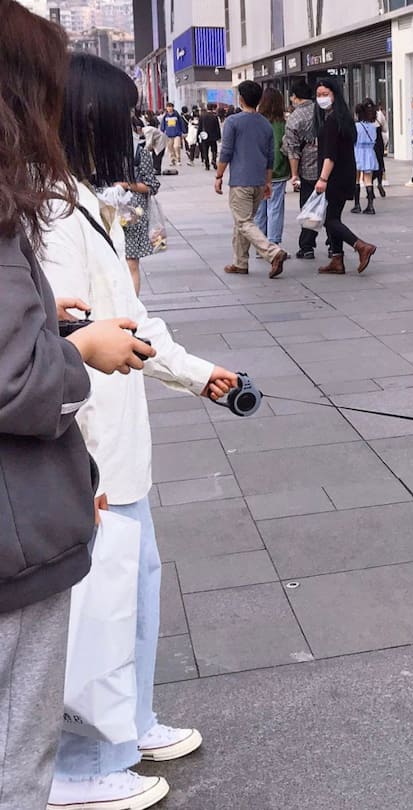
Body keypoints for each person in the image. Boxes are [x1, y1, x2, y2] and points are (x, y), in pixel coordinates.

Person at [43, 51, 243, 810]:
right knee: (94, 616)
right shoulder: (49, 215)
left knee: (136, 593)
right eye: (119, 116)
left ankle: (128, 725)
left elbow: (131, 316)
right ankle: (80, 765)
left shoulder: (86, 201)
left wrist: (197, 373)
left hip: (120, 447)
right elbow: (58, 342)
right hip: (85, 451)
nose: (129, 129)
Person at [0, 9, 159, 810]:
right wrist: (76, 350)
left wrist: (54, 327)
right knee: (23, 743)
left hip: (48, 492)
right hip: (28, 513)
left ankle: (126, 727)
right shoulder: (32, 212)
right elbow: (19, 377)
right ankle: (91, 759)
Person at [215, 80, 288, 278]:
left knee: (244, 222)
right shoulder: (265, 123)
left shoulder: (233, 122)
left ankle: (273, 252)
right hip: (258, 181)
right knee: (242, 222)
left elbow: (226, 152)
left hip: (240, 181)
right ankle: (240, 263)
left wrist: (219, 175)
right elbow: (270, 155)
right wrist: (267, 181)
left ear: (240, 99)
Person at [314, 77, 377, 275]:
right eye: (319, 95)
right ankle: (337, 259)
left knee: (330, 219)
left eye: (325, 94)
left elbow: (330, 155)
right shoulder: (343, 118)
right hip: (345, 174)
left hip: (334, 176)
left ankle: (360, 246)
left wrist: (322, 179)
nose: (321, 98)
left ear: (334, 95)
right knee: (333, 217)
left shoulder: (333, 121)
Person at [119, 117, 162, 295]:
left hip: (131, 214)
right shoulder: (97, 152)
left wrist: (126, 185)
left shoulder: (139, 152)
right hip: (106, 210)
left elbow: (152, 185)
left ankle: (132, 308)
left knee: (130, 261)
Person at [283, 81, 320, 260]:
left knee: (309, 207)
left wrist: (295, 174)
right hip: (330, 166)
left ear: (295, 97)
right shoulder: (322, 111)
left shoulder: (294, 118)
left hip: (308, 170)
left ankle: (307, 246)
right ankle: (333, 246)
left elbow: (293, 150)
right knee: (330, 208)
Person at [255, 87, 289, 248]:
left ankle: (261, 245)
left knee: (260, 209)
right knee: (275, 207)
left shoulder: (256, 122)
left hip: (258, 172)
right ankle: (273, 244)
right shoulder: (282, 124)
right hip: (278, 171)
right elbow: (282, 148)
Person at [352, 99, 379, 215]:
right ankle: (370, 206)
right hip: (369, 152)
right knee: (368, 180)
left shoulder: (356, 126)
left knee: (356, 179)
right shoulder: (373, 126)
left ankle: (357, 204)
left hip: (357, 152)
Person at [197, 102, 221, 170]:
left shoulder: (202, 116)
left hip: (205, 136)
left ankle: (207, 165)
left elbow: (200, 127)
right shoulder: (215, 116)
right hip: (213, 136)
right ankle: (213, 160)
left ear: (207, 108)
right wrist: (219, 137)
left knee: (205, 150)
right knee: (214, 150)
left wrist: (198, 136)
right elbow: (217, 127)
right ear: (213, 108)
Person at [161, 102, 187, 166]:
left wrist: (183, 131)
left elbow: (181, 123)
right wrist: (162, 131)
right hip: (168, 135)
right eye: (168, 107)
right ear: (166, 108)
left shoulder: (177, 115)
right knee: (170, 148)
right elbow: (163, 125)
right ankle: (172, 159)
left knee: (177, 146)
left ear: (173, 108)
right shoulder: (165, 116)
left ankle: (178, 159)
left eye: (170, 107)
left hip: (177, 134)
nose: (169, 109)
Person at [374, 101, 388, 197]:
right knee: (379, 162)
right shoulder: (379, 114)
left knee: (369, 165)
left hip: (368, 144)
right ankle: (379, 182)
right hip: (378, 142)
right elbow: (385, 128)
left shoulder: (363, 116)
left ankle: (369, 185)